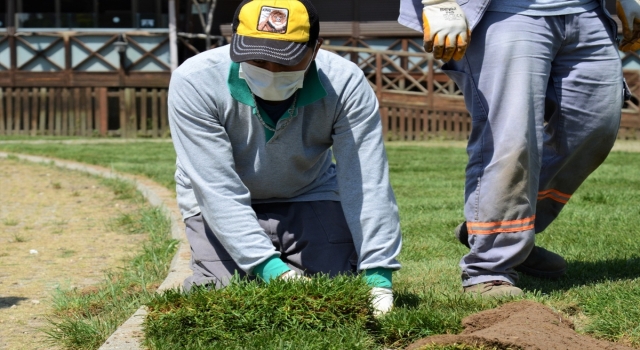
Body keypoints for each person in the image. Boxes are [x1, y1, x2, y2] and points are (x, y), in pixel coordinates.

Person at [168, 0, 402, 315]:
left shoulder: (345, 83)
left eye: (286, 62)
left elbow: (365, 180)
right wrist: (271, 270)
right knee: (225, 301)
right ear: (235, 44)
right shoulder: (195, 81)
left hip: (308, 191)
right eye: (258, 61)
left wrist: (378, 275)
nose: (271, 72)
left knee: (333, 294)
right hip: (215, 201)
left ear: (315, 49)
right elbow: (216, 186)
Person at [398, 0, 638, 297]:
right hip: (508, 11)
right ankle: (489, 267)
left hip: (586, 12)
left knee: (594, 131)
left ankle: (498, 228)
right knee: (511, 138)